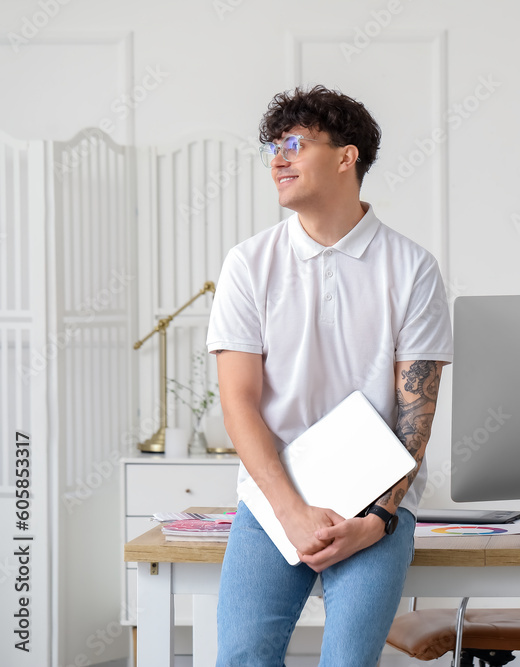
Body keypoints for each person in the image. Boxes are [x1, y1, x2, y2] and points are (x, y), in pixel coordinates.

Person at [205, 85, 453, 666]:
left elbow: (416, 414)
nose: (278, 158)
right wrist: (290, 510)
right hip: (273, 498)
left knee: (347, 661)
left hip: (375, 504)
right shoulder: (248, 265)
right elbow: (238, 403)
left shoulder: (412, 268)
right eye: (273, 147)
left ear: (347, 157)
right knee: (242, 657)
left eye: (295, 144)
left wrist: (379, 519)